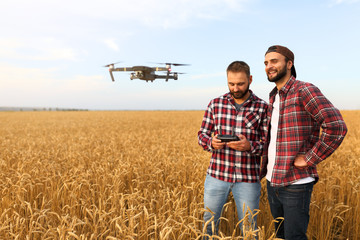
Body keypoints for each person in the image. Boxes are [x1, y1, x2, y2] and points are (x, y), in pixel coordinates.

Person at [261, 45, 348, 240]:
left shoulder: (304, 90)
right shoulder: (273, 97)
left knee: (294, 237)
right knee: (281, 236)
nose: (269, 66)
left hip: (296, 183)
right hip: (272, 181)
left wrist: (309, 158)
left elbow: (336, 126)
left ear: (289, 64)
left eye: (274, 61)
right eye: (266, 63)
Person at [198, 61, 268, 238]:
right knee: (209, 225)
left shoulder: (262, 107)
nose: (235, 88)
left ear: (250, 79)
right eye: (231, 84)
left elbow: (268, 144)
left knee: (249, 228)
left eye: (240, 84)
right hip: (216, 176)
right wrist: (211, 143)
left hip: (248, 179)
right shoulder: (215, 104)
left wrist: (250, 146)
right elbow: (202, 134)